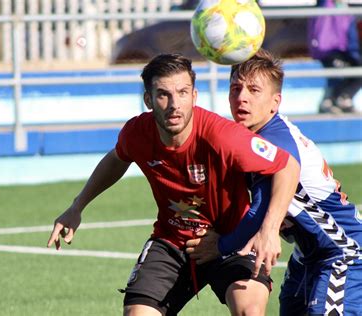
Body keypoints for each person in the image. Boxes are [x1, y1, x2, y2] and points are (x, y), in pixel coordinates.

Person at [47, 53, 300, 315]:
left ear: (194, 96)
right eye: (163, 94)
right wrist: (77, 206)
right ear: (148, 100)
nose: (174, 104)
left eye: (182, 92)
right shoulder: (137, 133)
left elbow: (287, 166)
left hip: (232, 240)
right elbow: (116, 158)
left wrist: (269, 230)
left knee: (249, 308)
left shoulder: (224, 136)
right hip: (173, 241)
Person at [185, 49, 362, 315]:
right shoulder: (252, 137)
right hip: (308, 255)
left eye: (254, 90)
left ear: (275, 102)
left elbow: (259, 212)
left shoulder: (273, 143)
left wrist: (219, 247)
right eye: (235, 88)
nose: (242, 97)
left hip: (342, 253)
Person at [307, 0, 361, 113]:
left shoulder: (345, 9)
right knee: (336, 72)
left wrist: (354, 54)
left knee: (356, 69)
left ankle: (344, 98)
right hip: (328, 50)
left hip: (344, 51)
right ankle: (328, 102)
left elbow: (350, 35)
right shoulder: (325, 4)